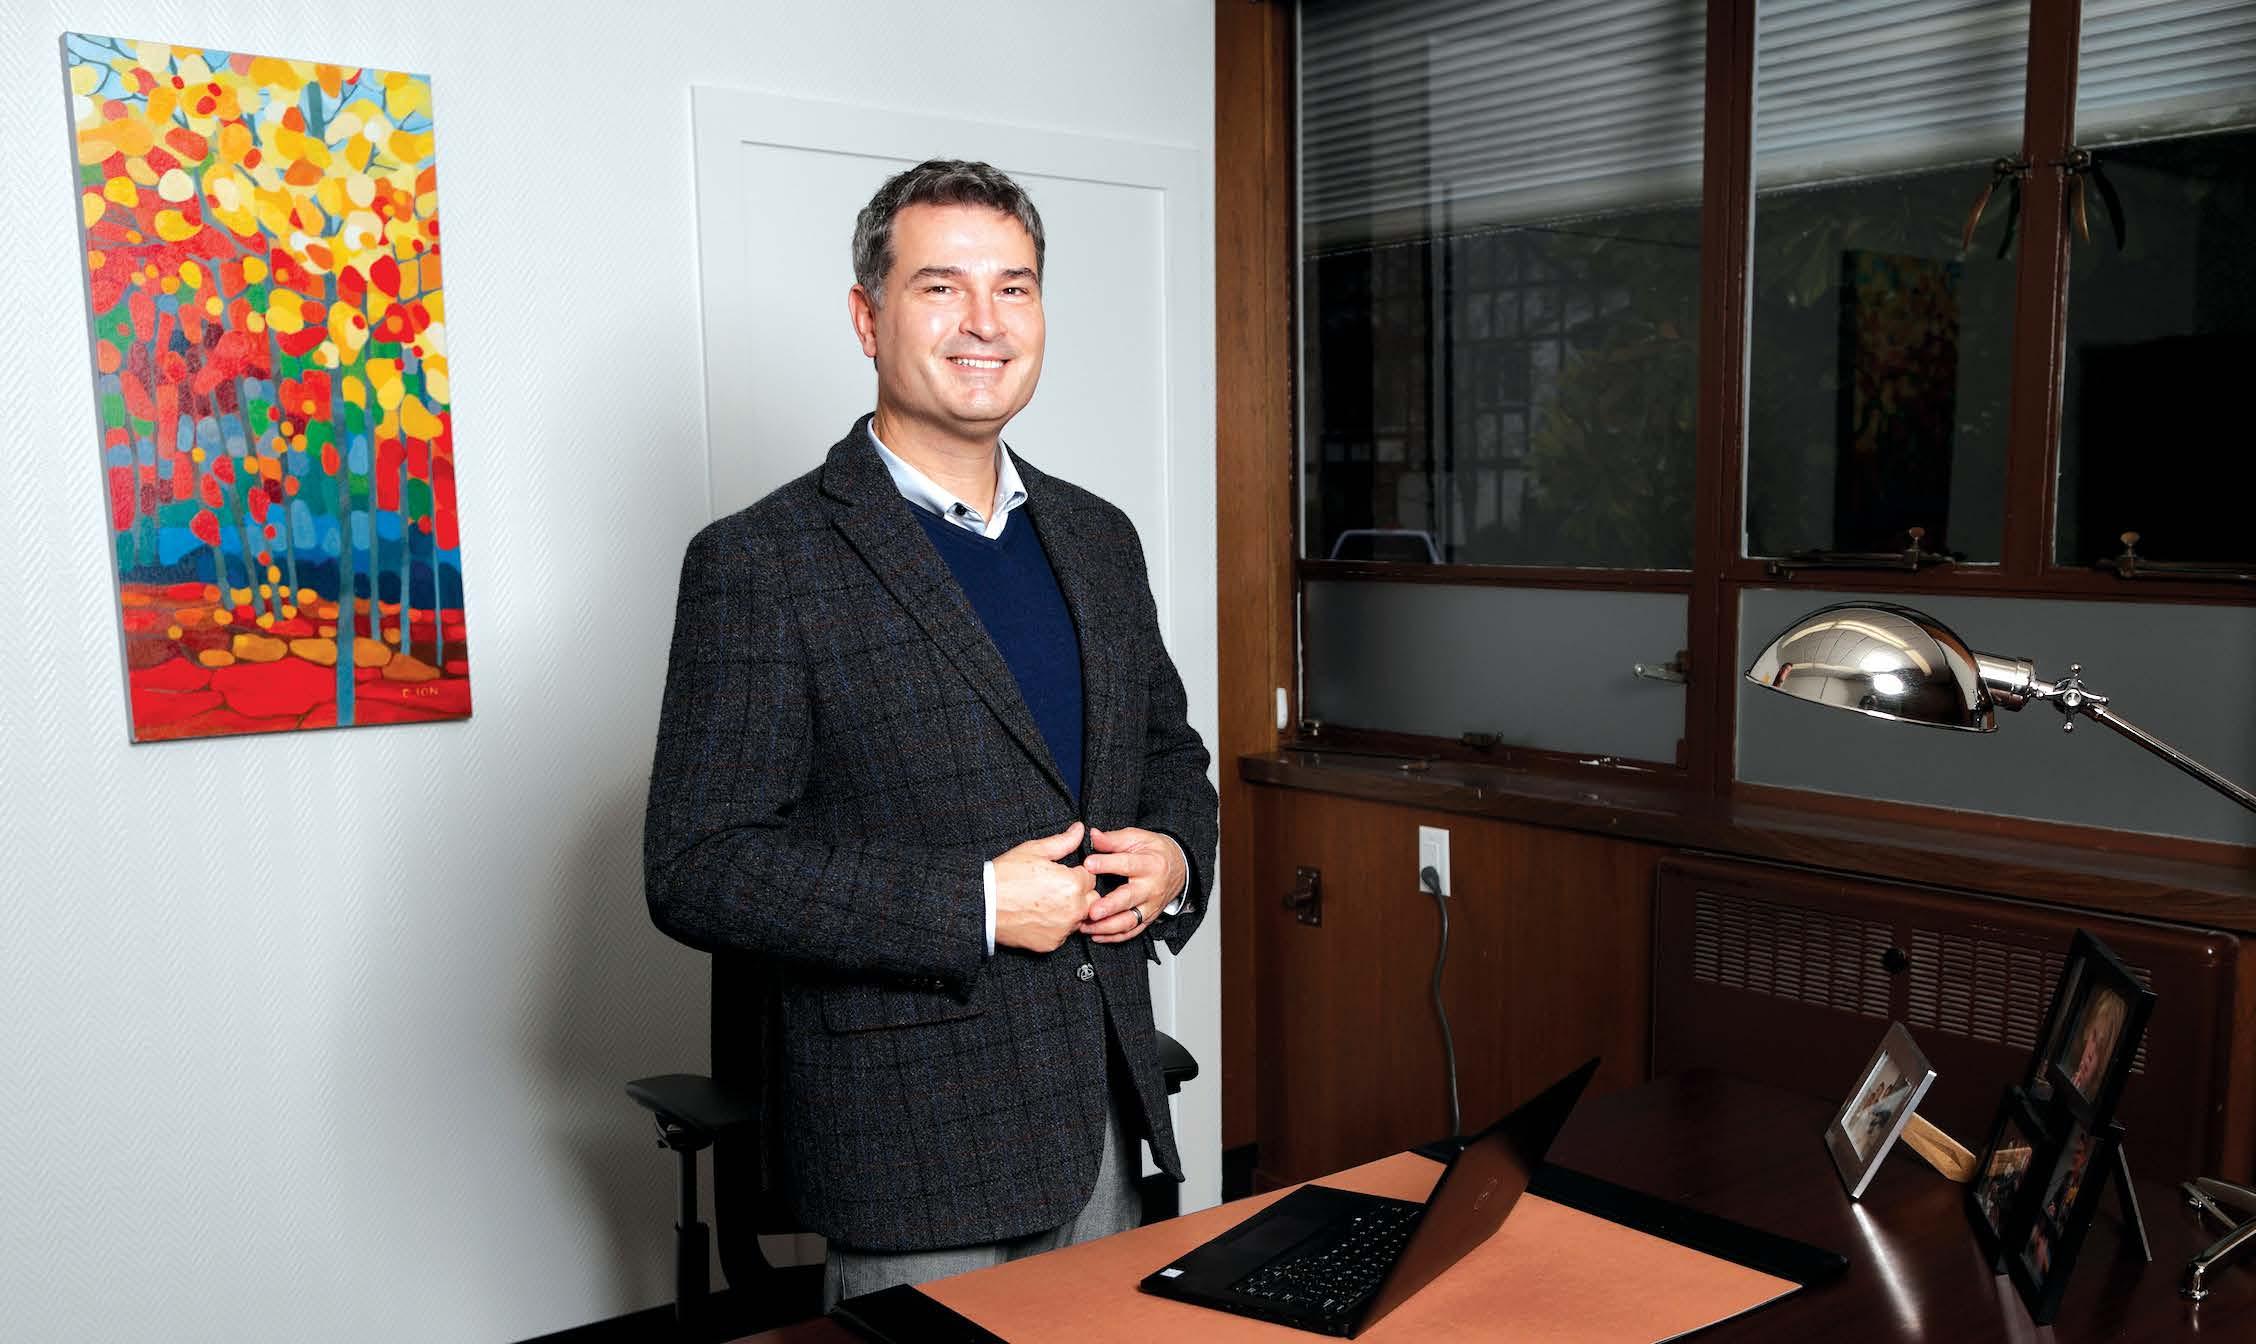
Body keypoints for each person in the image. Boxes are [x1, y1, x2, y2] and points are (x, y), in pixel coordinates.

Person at [641, 159, 1218, 1309]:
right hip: (915, 1142)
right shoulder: (761, 562)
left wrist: (1175, 858)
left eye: (1015, 288)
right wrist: (979, 906)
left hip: (1101, 1109)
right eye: (941, 287)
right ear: (868, 319)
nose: (984, 323)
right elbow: (698, 866)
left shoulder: (1099, 538)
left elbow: (1171, 759)